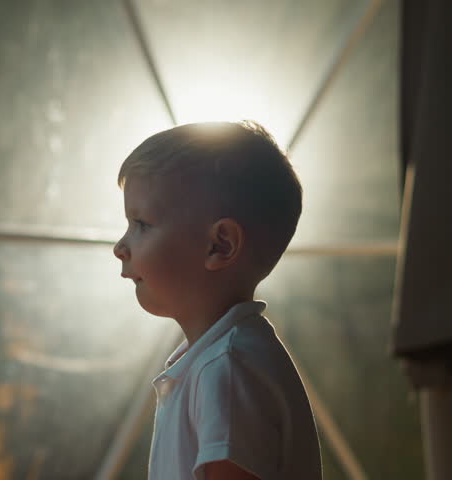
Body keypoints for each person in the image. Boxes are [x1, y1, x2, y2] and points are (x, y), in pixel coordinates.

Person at [113, 121, 322, 480]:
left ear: (220, 245)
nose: (120, 248)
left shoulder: (227, 368)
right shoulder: (221, 359)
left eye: (141, 224)